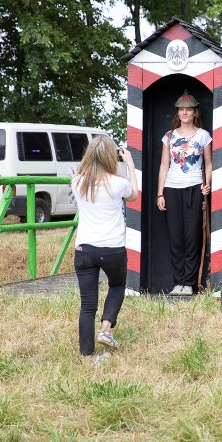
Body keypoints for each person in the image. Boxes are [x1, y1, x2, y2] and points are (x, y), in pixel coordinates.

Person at [71, 136, 139, 362]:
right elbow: (134, 196)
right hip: (112, 248)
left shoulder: (77, 181)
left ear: (88, 155)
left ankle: (86, 353)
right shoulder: (118, 183)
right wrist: (129, 163)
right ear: (112, 156)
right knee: (118, 285)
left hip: (84, 248)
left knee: (87, 303)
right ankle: (106, 328)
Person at [156, 90, 212, 296]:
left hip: (194, 188)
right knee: (175, 237)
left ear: (195, 112)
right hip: (172, 188)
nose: (185, 113)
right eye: (181, 110)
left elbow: (209, 163)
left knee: (191, 236)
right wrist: (160, 194)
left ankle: (188, 283)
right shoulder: (169, 136)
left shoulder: (203, 135)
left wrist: (208, 184)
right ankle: (178, 282)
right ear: (177, 113)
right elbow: (164, 165)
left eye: (188, 109)